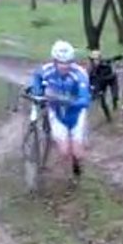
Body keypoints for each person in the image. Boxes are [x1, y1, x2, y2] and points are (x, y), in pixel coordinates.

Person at [28, 40, 92, 178]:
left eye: (68, 62)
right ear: (54, 61)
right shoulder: (47, 70)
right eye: (61, 62)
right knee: (64, 152)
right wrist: (37, 91)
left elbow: (85, 99)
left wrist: (66, 101)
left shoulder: (80, 74)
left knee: (78, 154)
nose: (65, 66)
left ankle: (76, 163)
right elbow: (37, 76)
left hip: (76, 113)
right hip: (56, 112)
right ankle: (66, 171)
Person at [87, 49, 121, 123]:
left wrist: (117, 59)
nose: (95, 62)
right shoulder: (91, 70)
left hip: (111, 80)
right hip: (101, 83)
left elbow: (112, 60)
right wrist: (95, 91)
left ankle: (115, 103)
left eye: (97, 60)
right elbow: (91, 81)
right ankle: (108, 117)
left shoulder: (105, 64)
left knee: (115, 95)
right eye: (94, 60)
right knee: (102, 101)